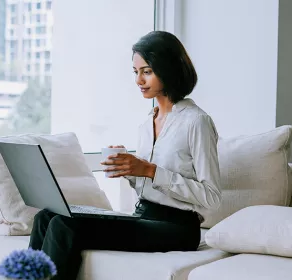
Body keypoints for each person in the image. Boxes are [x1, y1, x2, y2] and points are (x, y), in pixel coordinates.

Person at [29, 31, 222, 280]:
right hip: (144, 214)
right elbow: (149, 185)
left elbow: (212, 196)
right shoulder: (147, 123)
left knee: (64, 225)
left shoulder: (197, 122)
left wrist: (150, 170)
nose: (139, 80)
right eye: (136, 72)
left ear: (169, 68)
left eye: (147, 71)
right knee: (47, 217)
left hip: (178, 228)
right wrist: (129, 171)